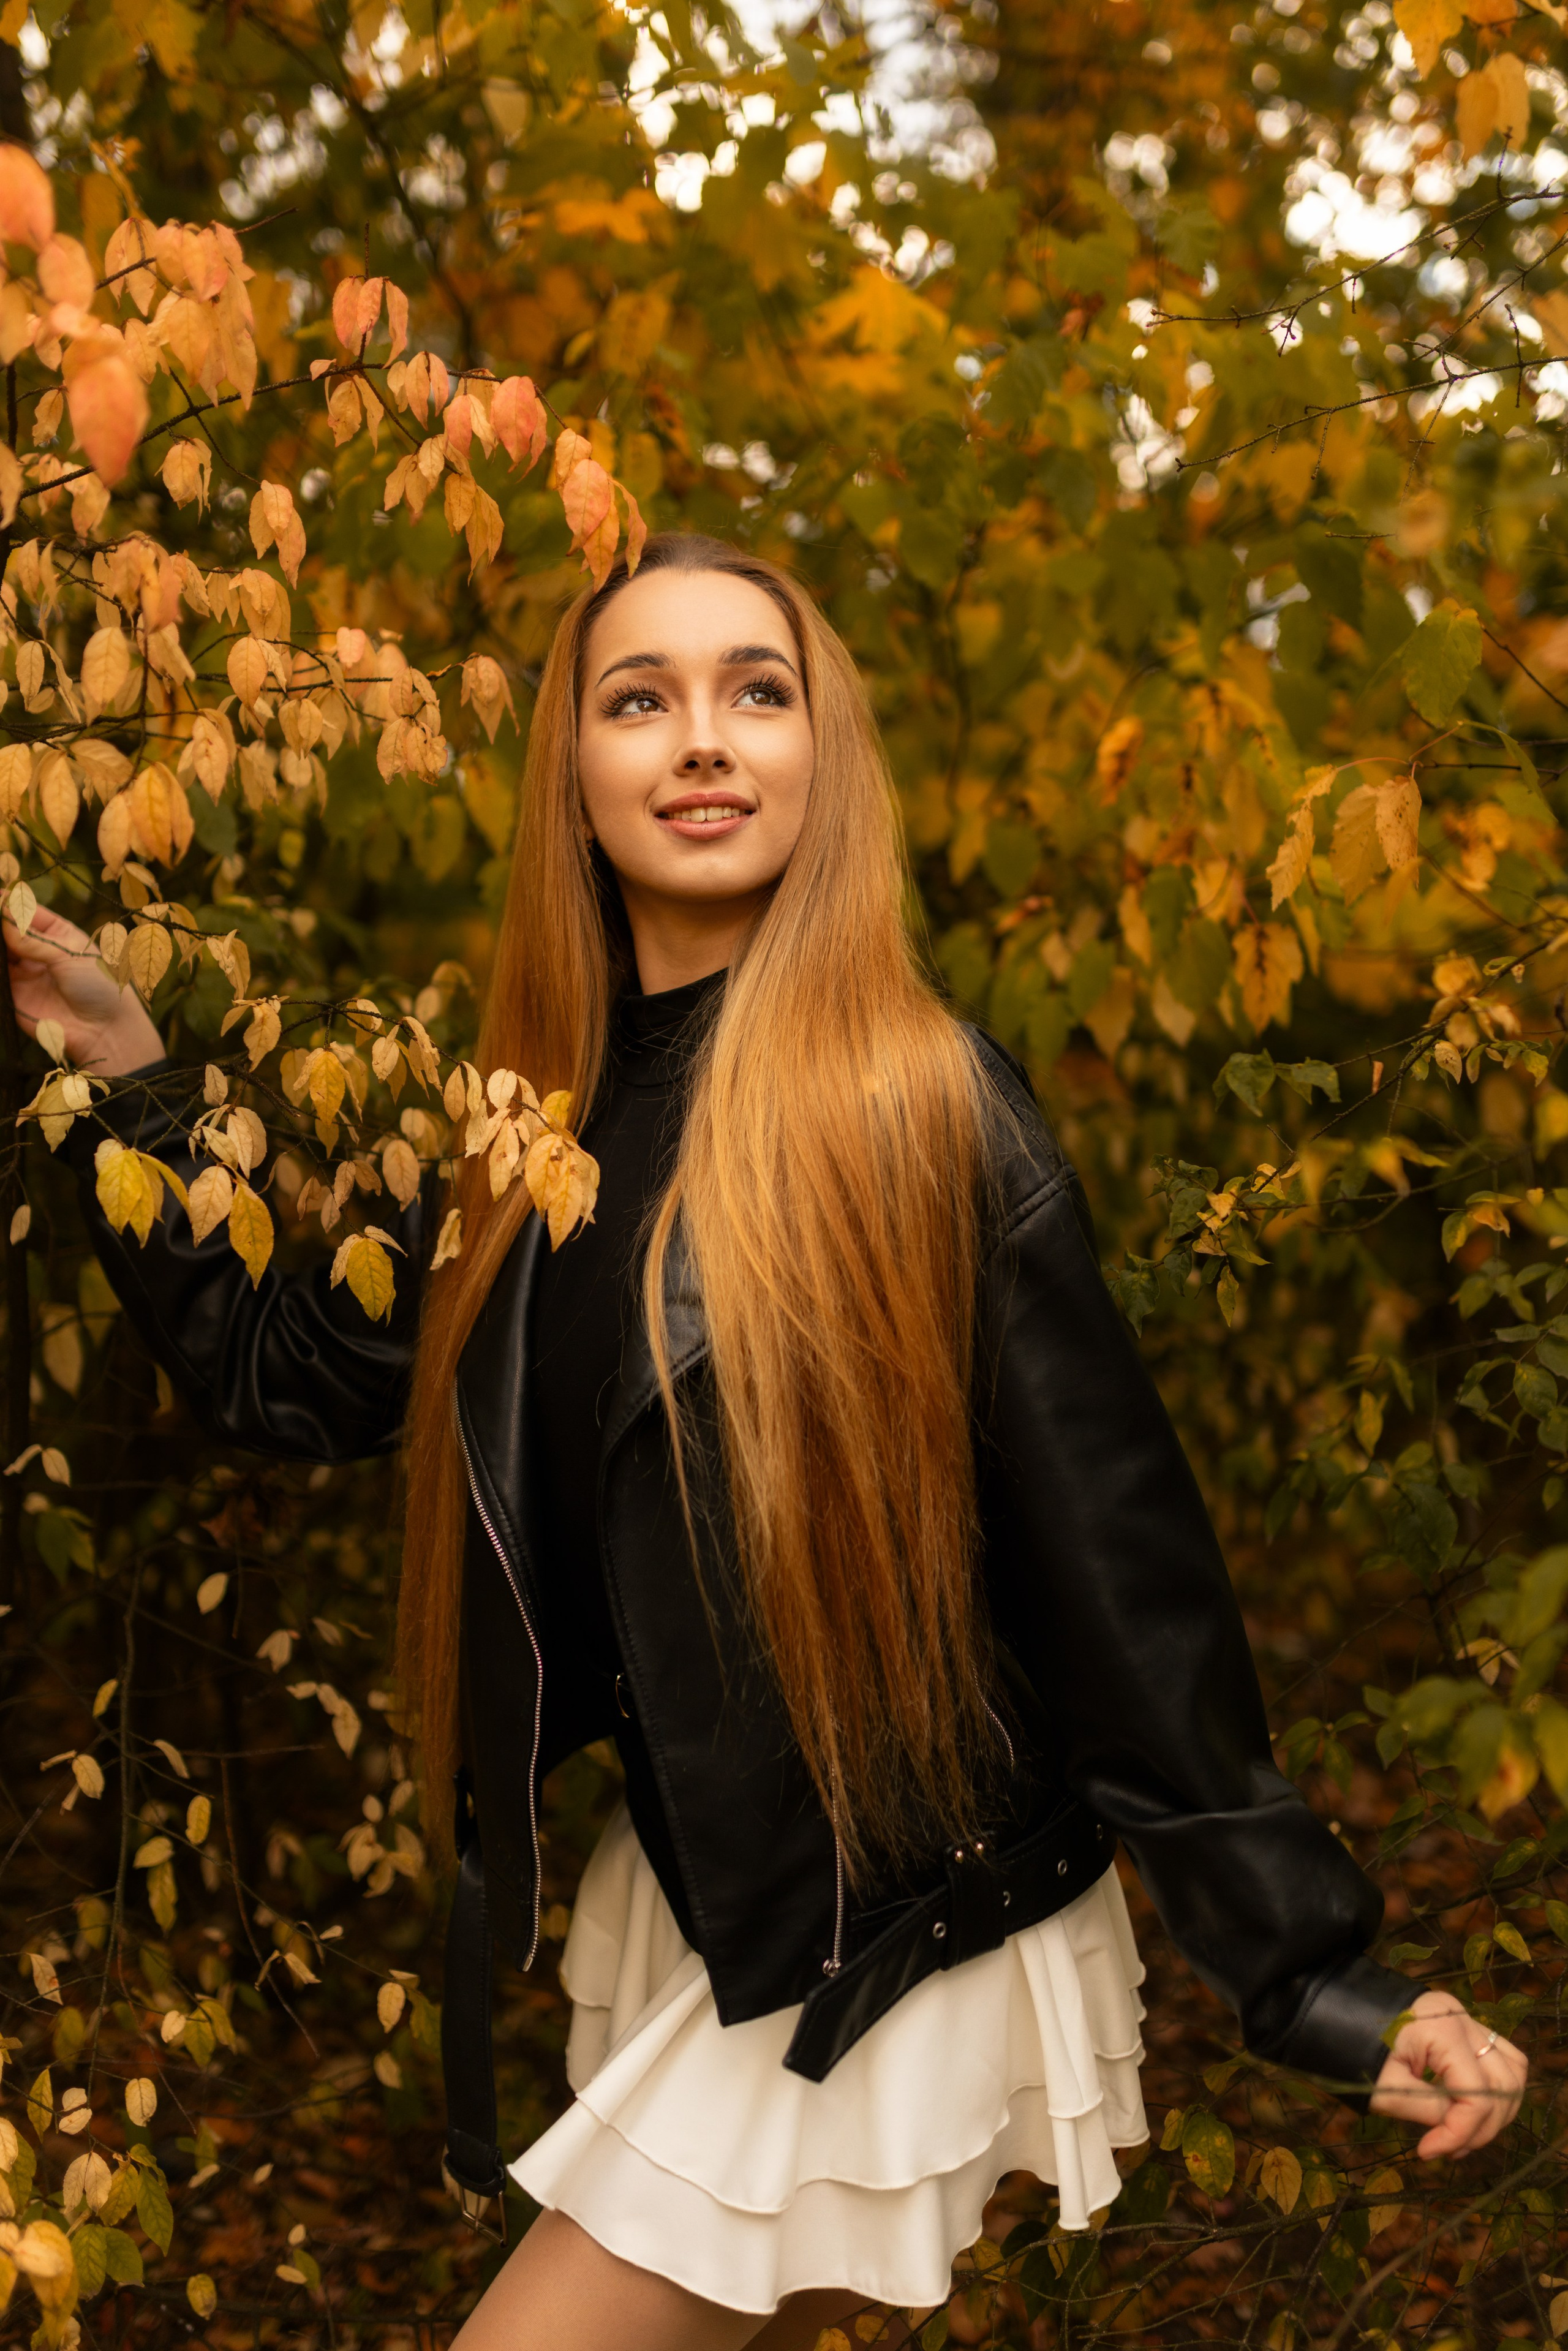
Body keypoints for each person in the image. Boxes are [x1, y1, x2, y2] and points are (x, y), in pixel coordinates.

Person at [7, 532, 1526, 2351]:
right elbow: (294, 1373)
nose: (703, 739)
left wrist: (1320, 1975)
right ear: (573, 775)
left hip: (905, 1897)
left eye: (757, 690)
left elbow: (1122, 1573)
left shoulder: (919, 1100)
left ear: (823, 759)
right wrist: (124, 1074)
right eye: (640, 700)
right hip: (722, 1875)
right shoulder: (525, 1136)